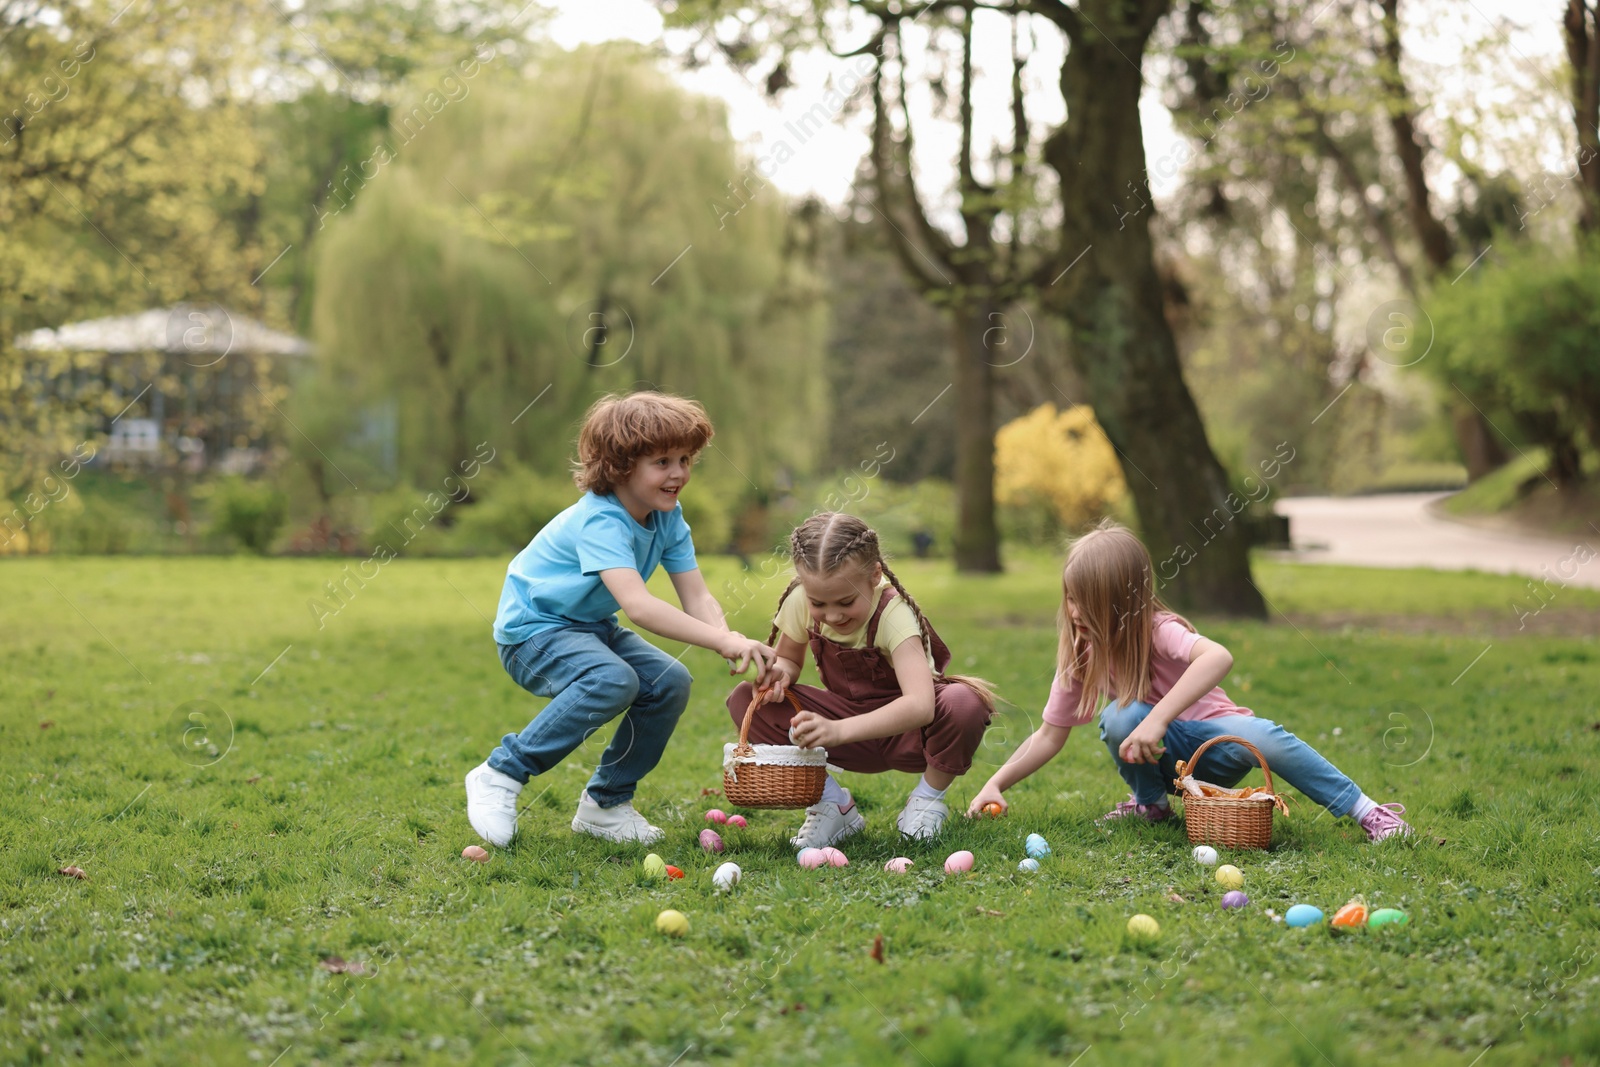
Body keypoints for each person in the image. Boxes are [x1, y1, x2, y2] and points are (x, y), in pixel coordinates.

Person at [966, 520, 1413, 842]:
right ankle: (1151, 806)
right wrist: (997, 783)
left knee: (1264, 736)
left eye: (1086, 601)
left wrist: (1159, 719)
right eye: (1069, 597)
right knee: (1121, 716)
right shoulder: (1084, 656)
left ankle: (1368, 812)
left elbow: (1218, 656)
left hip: (1216, 747)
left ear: (1122, 602)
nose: (1074, 611)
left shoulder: (1157, 629)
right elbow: (1048, 735)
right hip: (1164, 760)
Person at [466, 391, 776, 848]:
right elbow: (640, 606)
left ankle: (605, 805)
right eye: (663, 461)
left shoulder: (667, 516)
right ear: (620, 465)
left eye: (686, 459)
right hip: (533, 634)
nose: (679, 474)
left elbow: (696, 593)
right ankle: (500, 773)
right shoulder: (602, 520)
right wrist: (721, 641)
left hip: (589, 627)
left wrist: (728, 636)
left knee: (669, 682)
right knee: (613, 680)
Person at [727, 512, 995, 848]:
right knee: (746, 698)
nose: (834, 615)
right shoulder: (800, 602)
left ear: (875, 574)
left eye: (846, 602)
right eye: (819, 603)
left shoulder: (894, 615)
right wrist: (779, 674)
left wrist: (837, 730)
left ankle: (925, 802)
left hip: (907, 735)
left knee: (964, 703)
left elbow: (921, 706)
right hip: (845, 729)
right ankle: (832, 805)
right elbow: (789, 660)